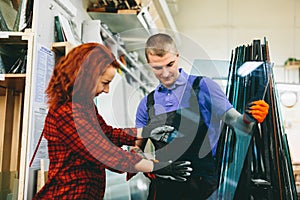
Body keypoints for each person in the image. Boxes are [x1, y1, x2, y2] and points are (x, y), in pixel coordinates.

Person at [33, 43, 192, 200]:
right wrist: (156, 167)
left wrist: (146, 131)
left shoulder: (84, 106)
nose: (107, 90)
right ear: (86, 77)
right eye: (105, 83)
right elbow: (106, 154)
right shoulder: (66, 113)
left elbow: (107, 134)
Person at [135, 33, 269, 200]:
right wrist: (153, 168)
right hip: (164, 191)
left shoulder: (204, 87)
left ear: (177, 56)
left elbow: (238, 123)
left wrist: (250, 117)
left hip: (203, 190)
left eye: (170, 64)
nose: (166, 73)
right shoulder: (147, 104)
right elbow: (135, 150)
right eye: (157, 68)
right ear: (149, 64)